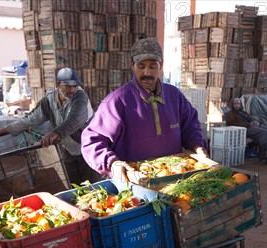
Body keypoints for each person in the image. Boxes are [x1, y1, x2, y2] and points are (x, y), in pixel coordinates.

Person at [81, 37, 208, 179]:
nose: (147, 73)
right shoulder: (117, 101)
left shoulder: (174, 96)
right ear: (132, 65)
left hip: (175, 179)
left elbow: (191, 126)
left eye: (152, 66)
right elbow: (91, 141)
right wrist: (112, 163)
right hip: (133, 183)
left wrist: (198, 146)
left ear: (161, 65)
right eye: (141, 66)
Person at [0, 67, 99, 185]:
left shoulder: (80, 97)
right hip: (69, 149)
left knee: (93, 187)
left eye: (75, 86)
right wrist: (1, 132)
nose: (73, 89)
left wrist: (55, 133)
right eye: (68, 86)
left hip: (89, 148)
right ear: (58, 84)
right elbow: (29, 120)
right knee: (74, 186)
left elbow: (74, 120)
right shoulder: (49, 101)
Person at [225, 97, 267, 164]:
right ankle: (263, 157)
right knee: (265, 133)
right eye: (235, 104)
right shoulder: (230, 114)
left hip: (251, 126)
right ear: (232, 105)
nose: (237, 105)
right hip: (243, 130)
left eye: (238, 103)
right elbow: (233, 124)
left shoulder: (243, 112)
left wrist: (257, 122)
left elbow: (251, 118)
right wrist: (249, 124)